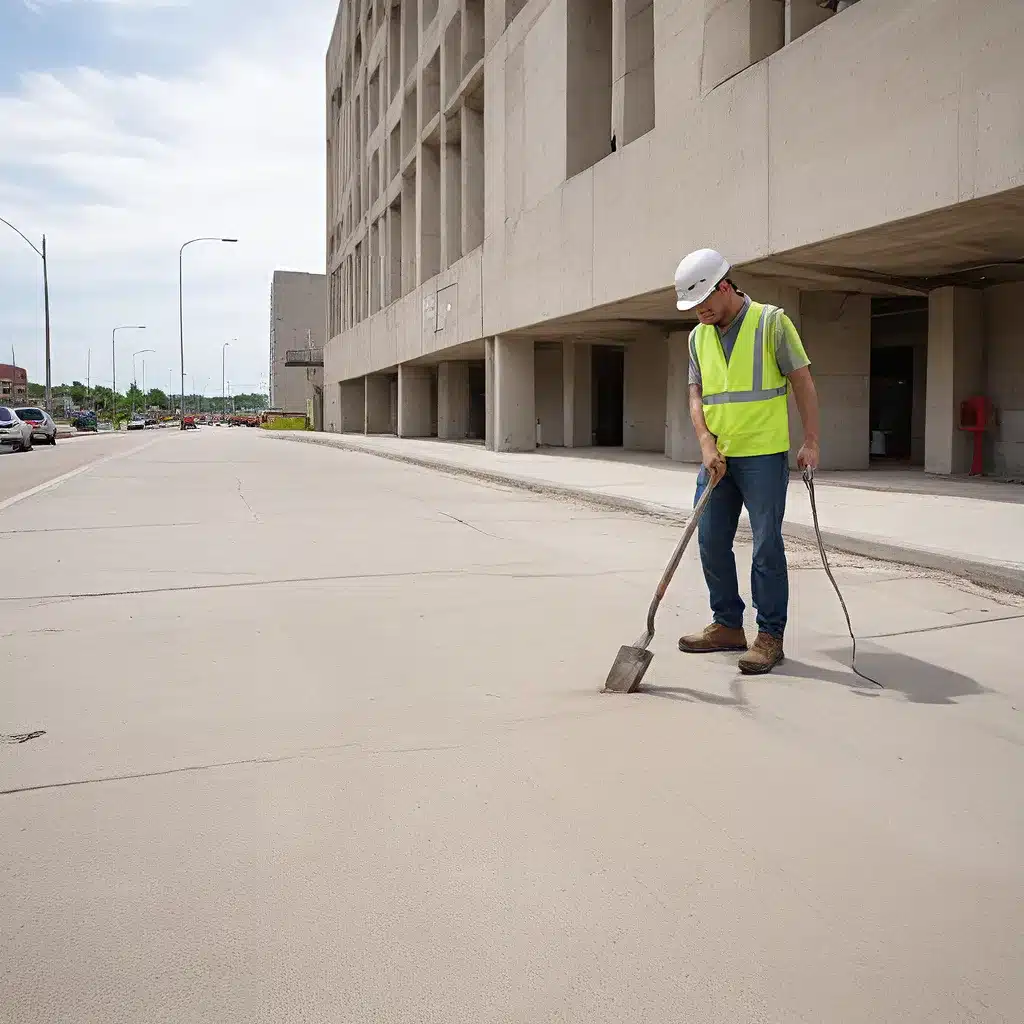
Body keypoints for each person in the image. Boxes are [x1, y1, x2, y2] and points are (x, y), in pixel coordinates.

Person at [673, 248, 821, 674]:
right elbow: (696, 395)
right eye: (691, 307)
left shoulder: (772, 323)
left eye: (703, 303)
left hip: (763, 455)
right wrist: (704, 442)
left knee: (766, 546)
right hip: (717, 457)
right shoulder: (697, 336)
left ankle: (770, 636)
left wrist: (811, 440)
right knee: (710, 541)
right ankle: (727, 625)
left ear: (724, 287)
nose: (699, 312)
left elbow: (803, 383)